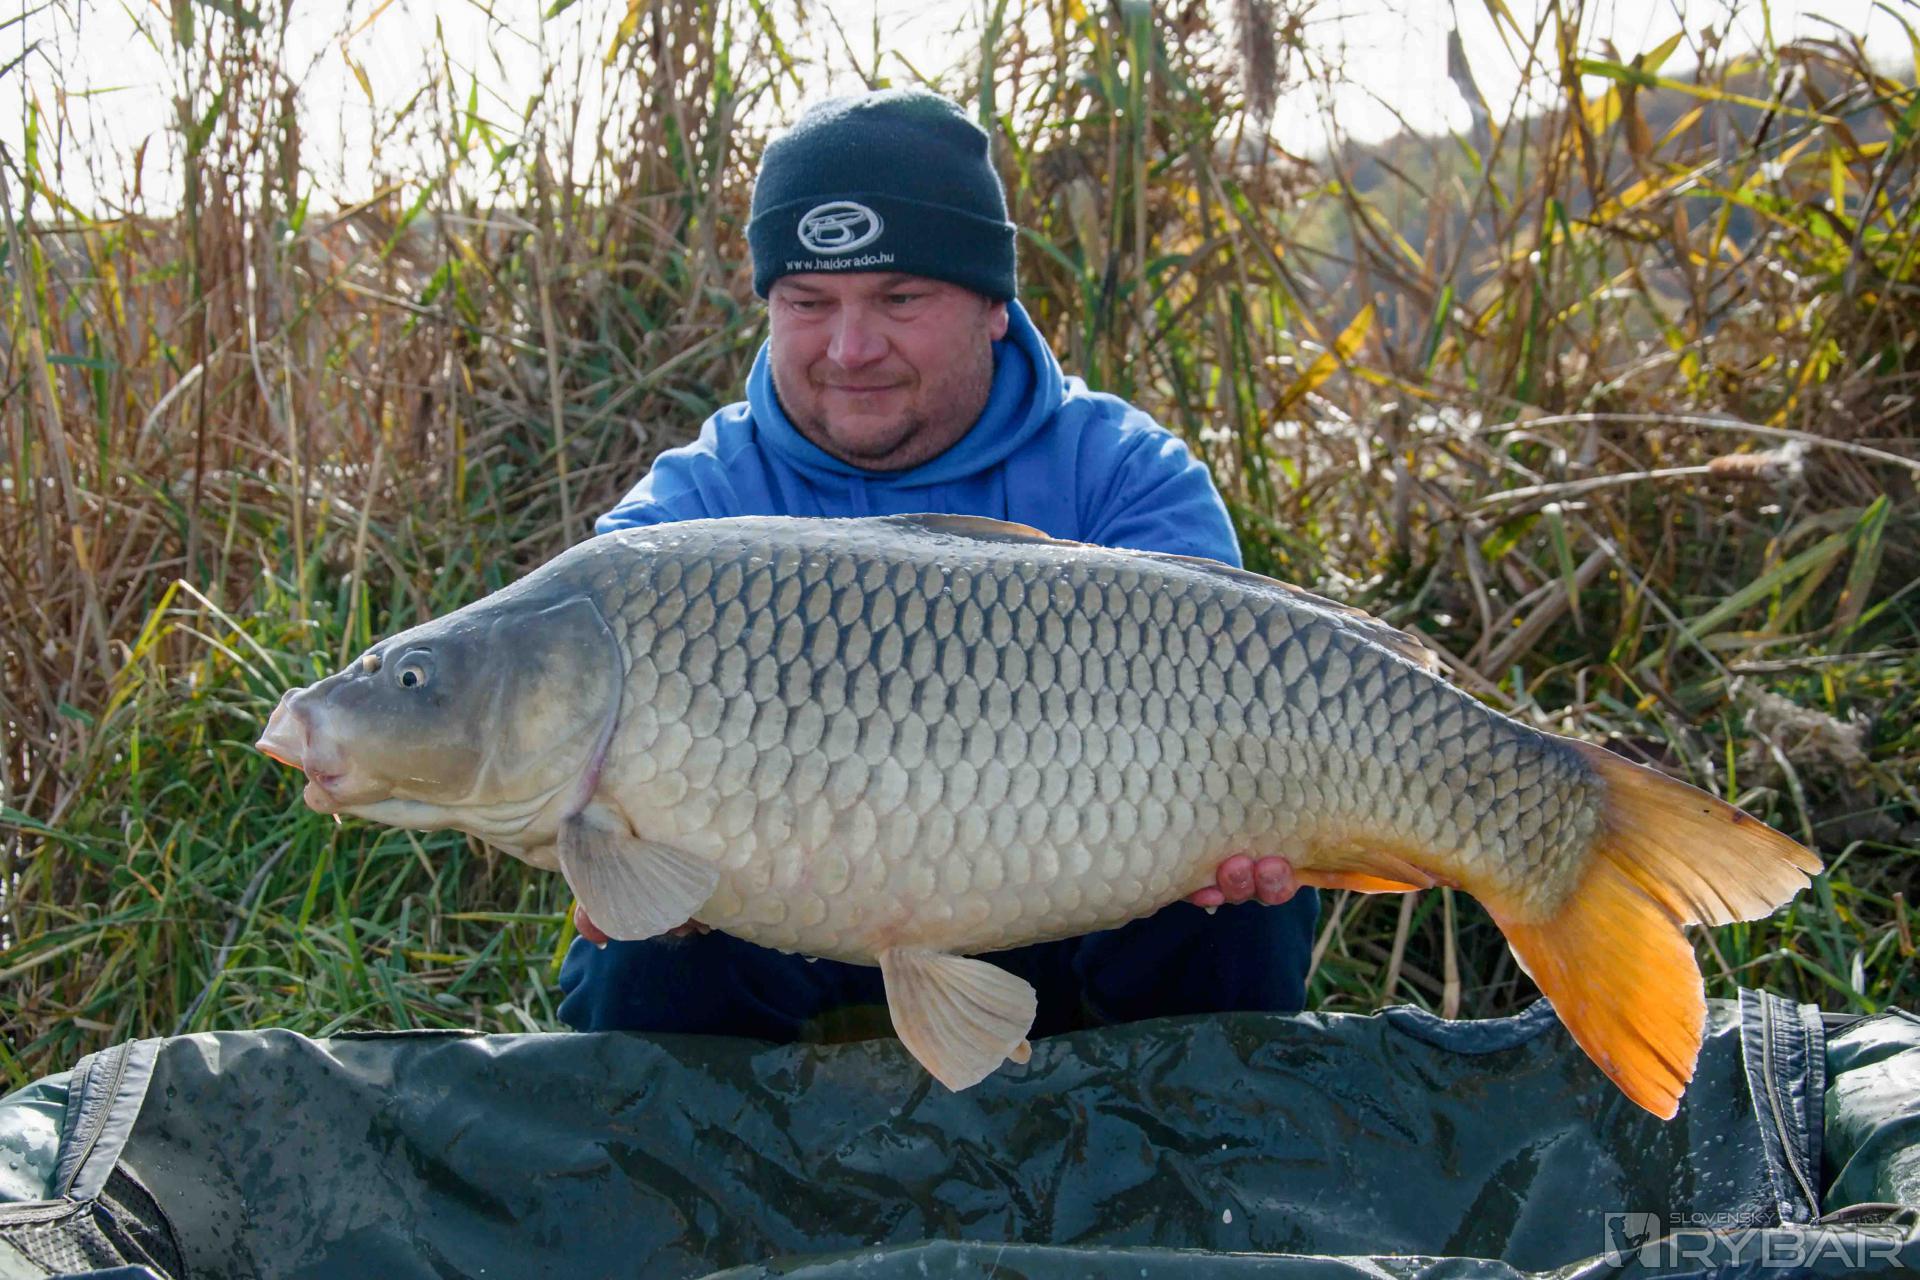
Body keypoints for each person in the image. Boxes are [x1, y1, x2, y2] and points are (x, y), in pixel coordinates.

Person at [557, 87, 1315, 1045]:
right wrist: (627, 875)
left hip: (1080, 893)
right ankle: (744, 1150)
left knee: (1237, 910)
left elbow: (1240, 720)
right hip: (788, 916)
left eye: (900, 299)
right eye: (807, 303)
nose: (851, 348)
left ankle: (1152, 1143)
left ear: (994, 305)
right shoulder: (686, 520)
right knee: (644, 952)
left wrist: (1240, 830)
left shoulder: (1124, 478)